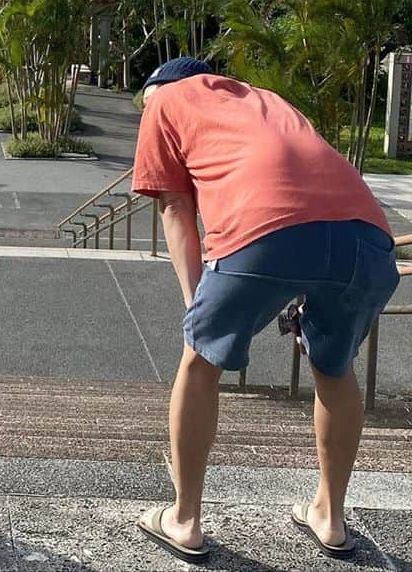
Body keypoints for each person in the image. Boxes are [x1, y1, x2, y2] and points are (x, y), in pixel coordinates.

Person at [131, 57, 398, 563]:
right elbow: (307, 190)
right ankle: (331, 517)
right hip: (367, 237)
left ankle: (184, 520)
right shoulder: (266, 100)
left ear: (162, 87)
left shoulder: (164, 100)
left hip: (265, 228)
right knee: (334, 367)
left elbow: (174, 209)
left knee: (200, 360)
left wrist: (199, 312)